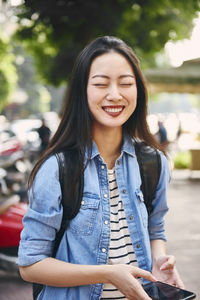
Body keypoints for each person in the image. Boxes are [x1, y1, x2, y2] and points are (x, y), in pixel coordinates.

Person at [17, 36, 184, 300]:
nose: (115, 94)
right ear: (83, 91)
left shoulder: (154, 162)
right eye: (101, 84)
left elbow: (155, 228)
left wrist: (160, 263)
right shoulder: (56, 168)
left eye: (126, 84)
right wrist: (107, 273)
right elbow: (30, 265)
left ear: (138, 91)